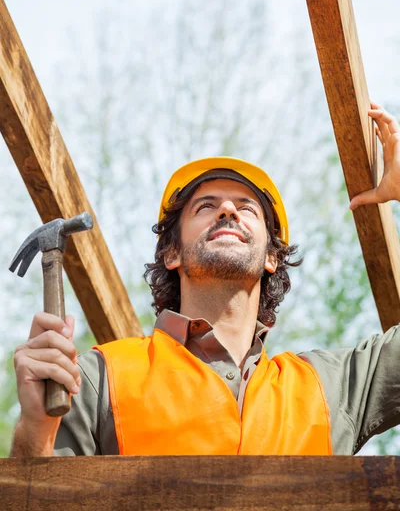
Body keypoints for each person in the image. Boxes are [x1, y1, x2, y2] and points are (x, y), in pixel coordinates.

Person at [10, 103, 400, 457]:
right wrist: (36, 432)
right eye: (206, 206)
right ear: (172, 253)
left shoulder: (330, 388)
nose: (228, 209)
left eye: (247, 207)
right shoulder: (97, 378)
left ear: (271, 257)